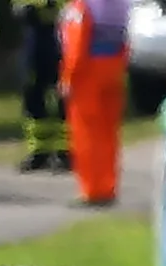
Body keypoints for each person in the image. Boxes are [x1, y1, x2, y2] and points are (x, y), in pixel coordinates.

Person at [60, 0, 131, 207]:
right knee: (108, 132)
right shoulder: (121, 4)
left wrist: (68, 77)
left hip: (88, 72)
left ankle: (91, 190)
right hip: (114, 68)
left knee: (86, 132)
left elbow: (76, 43)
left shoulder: (82, 6)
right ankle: (108, 186)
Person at [15, 1, 68, 171]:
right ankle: (39, 152)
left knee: (65, 96)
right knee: (32, 96)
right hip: (35, 38)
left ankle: (66, 152)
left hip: (62, 37)